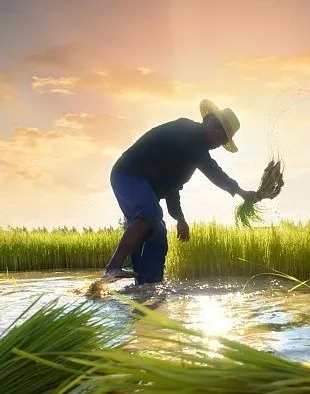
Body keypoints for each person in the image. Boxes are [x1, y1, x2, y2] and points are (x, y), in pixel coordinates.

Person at [102, 99, 260, 283]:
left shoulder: (190, 156)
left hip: (142, 187)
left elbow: (173, 188)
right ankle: (113, 267)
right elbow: (212, 170)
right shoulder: (187, 131)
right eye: (221, 134)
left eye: (224, 139)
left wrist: (180, 218)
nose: (219, 142)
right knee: (149, 214)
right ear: (209, 123)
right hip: (127, 174)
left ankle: (146, 287)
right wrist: (240, 191)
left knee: (157, 233)